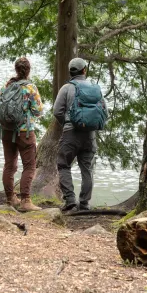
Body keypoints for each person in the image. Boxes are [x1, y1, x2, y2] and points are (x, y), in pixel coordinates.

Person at [53, 57, 106, 212]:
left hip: (70, 134)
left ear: (71, 71)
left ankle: (70, 200)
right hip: (89, 135)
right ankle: (84, 204)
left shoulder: (66, 88)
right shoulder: (95, 88)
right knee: (87, 169)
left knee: (63, 165)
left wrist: (67, 123)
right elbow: (105, 111)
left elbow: (57, 111)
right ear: (84, 70)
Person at [0, 57, 43, 212]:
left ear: (16, 69)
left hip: (6, 131)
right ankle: (26, 201)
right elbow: (38, 111)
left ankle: (10, 199)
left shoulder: (6, 86)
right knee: (29, 166)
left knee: (9, 165)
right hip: (25, 133)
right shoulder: (30, 88)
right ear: (28, 70)